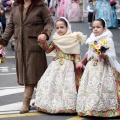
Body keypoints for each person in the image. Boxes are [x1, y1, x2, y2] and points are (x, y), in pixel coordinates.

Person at [0, 0, 54, 114]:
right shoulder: (16, 5)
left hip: (34, 45)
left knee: (31, 74)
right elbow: (11, 26)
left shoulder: (40, 5)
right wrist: (3, 41)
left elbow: (49, 22)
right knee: (31, 75)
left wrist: (45, 33)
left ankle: (26, 102)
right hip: (20, 47)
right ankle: (45, 98)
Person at [35, 17, 86, 114]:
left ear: (67, 27)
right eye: (57, 28)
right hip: (56, 64)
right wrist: (43, 43)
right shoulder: (55, 39)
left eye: (62, 27)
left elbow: (76, 54)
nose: (59, 30)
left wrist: (78, 62)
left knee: (68, 85)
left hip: (69, 65)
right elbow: (48, 50)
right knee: (52, 83)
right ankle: (51, 105)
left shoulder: (73, 39)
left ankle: (68, 106)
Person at [76, 18, 120, 117]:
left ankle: (102, 109)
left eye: (98, 27)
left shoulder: (107, 39)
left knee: (100, 89)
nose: (95, 29)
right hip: (92, 67)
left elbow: (113, 55)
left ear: (104, 28)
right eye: (94, 27)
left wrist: (104, 55)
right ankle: (89, 109)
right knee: (90, 88)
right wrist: (82, 62)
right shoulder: (92, 39)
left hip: (103, 68)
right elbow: (89, 53)